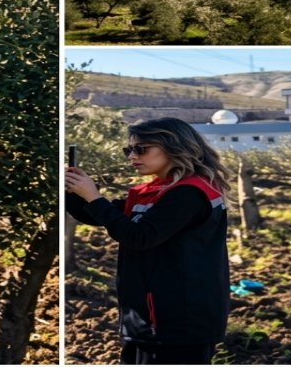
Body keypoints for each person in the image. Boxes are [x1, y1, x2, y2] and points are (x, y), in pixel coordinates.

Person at [64, 117, 232, 365]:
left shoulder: (189, 194)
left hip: (176, 322)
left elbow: (138, 237)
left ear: (174, 146)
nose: (132, 156)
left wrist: (94, 197)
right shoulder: (156, 191)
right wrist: (76, 194)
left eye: (141, 149)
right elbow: (106, 217)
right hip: (151, 316)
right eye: (129, 149)